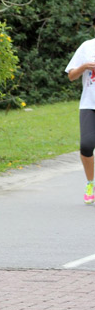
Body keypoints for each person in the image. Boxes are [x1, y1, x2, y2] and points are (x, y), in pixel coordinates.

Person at [66, 16, 95, 204]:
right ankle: (90, 183)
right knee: (86, 145)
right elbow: (71, 76)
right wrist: (84, 66)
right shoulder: (87, 47)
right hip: (89, 104)